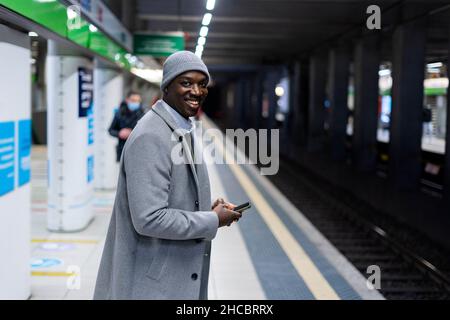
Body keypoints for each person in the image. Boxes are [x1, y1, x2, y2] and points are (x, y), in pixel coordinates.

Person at [94, 51, 241, 300]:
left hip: (169, 275)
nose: (197, 91)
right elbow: (149, 218)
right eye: (186, 83)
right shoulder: (151, 136)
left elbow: (170, 192)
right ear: (167, 86)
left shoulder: (180, 126)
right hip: (151, 283)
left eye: (202, 84)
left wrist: (209, 209)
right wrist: (212, 220)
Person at [108, 91, 145, 162]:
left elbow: (146, 133)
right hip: (122, 151)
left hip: (138, 151)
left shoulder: (143, 115)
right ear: (127, 100)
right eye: (133, 100)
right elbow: (110, 130)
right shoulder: (119, 114)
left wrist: (132, 133)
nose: (135, 103)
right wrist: (119, 133)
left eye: (137, 101)